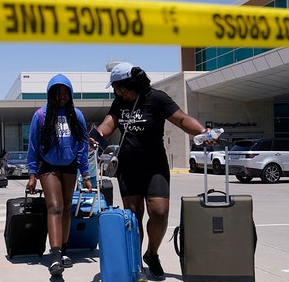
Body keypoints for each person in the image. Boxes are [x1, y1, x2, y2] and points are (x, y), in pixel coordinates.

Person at [90, 62, 209, 281]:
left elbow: (182, 119)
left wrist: (203, 132)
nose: (115, 92)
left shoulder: (157, 99)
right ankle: (135, 262)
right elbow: (108, 123)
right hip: (129, 167)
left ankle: (151, 255)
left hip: (155, 165)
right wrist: (95, 137)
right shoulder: (119, 103)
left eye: (116, 87)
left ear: (127, 85)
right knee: (133, 217)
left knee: (160, 212)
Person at [26, 74, 93, 276]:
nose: (62, 95)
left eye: (65, 92)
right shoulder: (40, 115)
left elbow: (82, 147)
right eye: (58, 92)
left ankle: (63, 250)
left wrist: (86, 174)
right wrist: (32, 174)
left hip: (70, 166)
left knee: (65, 209)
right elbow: (33, 146)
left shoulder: (77, 115)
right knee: (54, 207)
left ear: (71, 94)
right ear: (50, 94)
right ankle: (55, 256)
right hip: (48, 166)